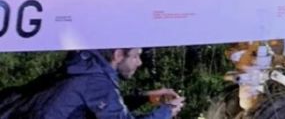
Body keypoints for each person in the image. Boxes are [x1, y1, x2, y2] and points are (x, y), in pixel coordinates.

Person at [0, 48, 184, 118]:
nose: (139, 62)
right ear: (118, 54)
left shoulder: (83, 68)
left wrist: (148, 98)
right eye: (136, 55)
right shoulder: (97, 82)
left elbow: (104, 109)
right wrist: (166, 111)